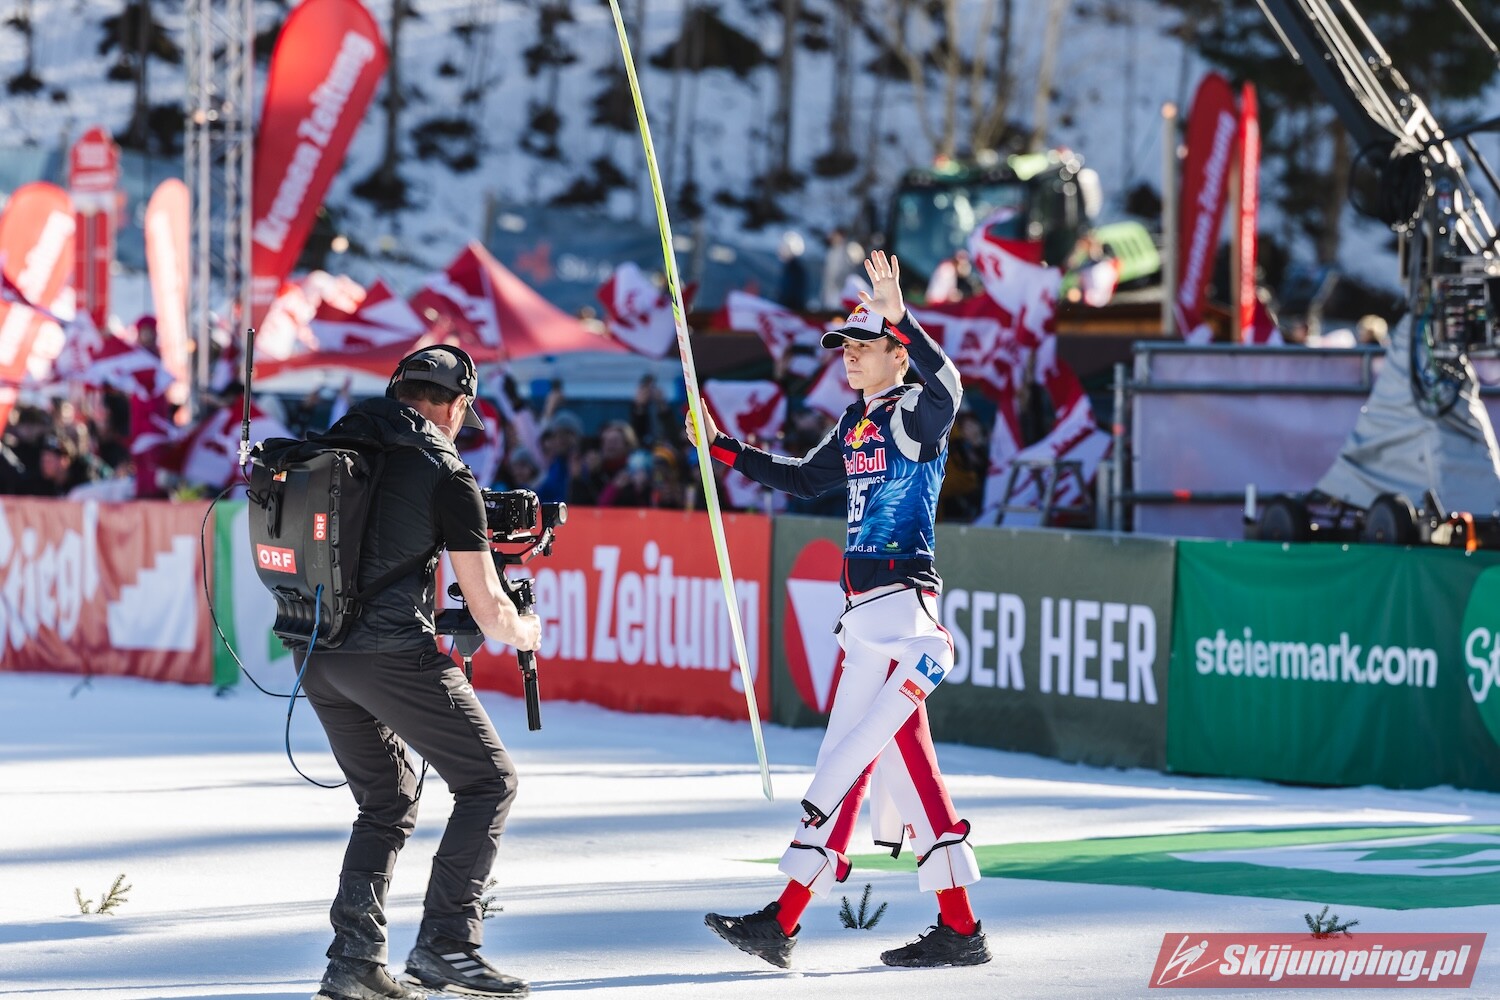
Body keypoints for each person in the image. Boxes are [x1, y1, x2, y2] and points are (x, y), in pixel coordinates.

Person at [687, 250, 989, 970]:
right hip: (864, 618)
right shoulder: (856, 421)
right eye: (844, 345)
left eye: (863, 344)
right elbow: (800, 480)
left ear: (896, 352)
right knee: (858, 764)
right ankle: (810, 921)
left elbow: (950, 386)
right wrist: (722, 449)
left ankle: (818, 920)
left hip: (903, 614)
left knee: (861, 763)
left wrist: (901, 316)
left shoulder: (915, 414)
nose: (849, 354)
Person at [300, 346, 542, 1000]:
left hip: (317, 654)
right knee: (490, 781)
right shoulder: (445, 470)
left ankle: (354, 960)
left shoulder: (343, 445)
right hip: (391, 655)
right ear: (458, 404)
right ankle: (447, 944)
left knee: (388, 797)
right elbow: (488, 609)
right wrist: (525, 630)